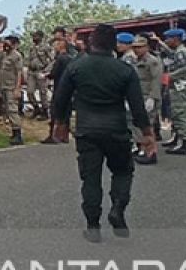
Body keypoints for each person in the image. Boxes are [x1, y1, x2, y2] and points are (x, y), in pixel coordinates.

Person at [52, 24, 155, 243]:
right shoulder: (125, 70)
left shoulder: (75, 67)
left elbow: (60, 99)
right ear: (113, 45)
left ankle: (92, 226)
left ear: (91, 42)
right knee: (123, 171)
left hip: (87, 131)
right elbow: (137, 108)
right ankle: (118, 208)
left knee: (90, 178)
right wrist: (147, 134)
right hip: (116, 130)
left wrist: (60, 123)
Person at [156, 28, 186, 154]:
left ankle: (185, 143)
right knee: (177, 114)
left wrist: (170, 76)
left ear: (175, 39)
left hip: (180, 87)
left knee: (180, 114)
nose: (167, 41)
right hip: (176, 87)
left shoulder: (182, 52)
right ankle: (178, 138)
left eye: (168, 39)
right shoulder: (178, 52)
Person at [130, 36, 163, 164]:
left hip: (149, 96)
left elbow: (156, 80)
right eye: (134, 47)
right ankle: (143, 149)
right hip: (139, 96)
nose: (136, 50)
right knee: (139, 125)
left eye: (139, 47)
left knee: (147, 126)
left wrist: (153, 98)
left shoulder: (152, 61)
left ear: (147, 47)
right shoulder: (136, 60)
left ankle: (150, 153)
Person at [42, 37, 74, 144]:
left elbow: (54, 73)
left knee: (55, 111)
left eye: (56, 45)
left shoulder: (60, 58)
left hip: (59, 87)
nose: (54, 47)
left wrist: (47, 75)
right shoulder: (71, 58)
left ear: (61, 46)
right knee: (66, 112)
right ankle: (64, 135)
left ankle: (53, 135)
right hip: (69, 88)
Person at [0, 35, 25, 145]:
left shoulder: (16, 56)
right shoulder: (4, 55)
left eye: (8, 44)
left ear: (13, 45)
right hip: (4, 86)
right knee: (8, 110)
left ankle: (18, 135)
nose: (5, 46)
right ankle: (13, 133)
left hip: (12, 87)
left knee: (13, 110)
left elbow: (19, 73)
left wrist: (17, 88)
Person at [25, 31, 54, 120]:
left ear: (40, 37)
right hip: (31, 72)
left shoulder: (46, 47)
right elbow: (29, 59)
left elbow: (53, 60)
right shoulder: (32, 47)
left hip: (41, 71)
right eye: (33, 36)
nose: (34, 38)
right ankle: (36, 108)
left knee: (43, 93)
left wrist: (46, 71)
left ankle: (45, 112)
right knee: (29, 92)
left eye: (35, 36)